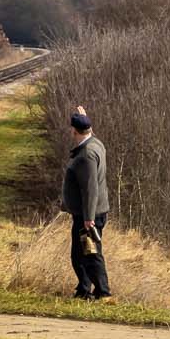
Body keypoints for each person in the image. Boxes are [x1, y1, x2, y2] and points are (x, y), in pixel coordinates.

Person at [62, 105, 111, 299]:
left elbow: (91, 188)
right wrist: (84, 118)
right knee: (81, 254)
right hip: (90, 213)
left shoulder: (86, 155)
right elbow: (89, 132)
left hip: (89, 215)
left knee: (89, 255)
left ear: (73, 131)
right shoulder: (96, 144)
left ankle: (103, 293)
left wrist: (89, 219)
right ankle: (84, 290)